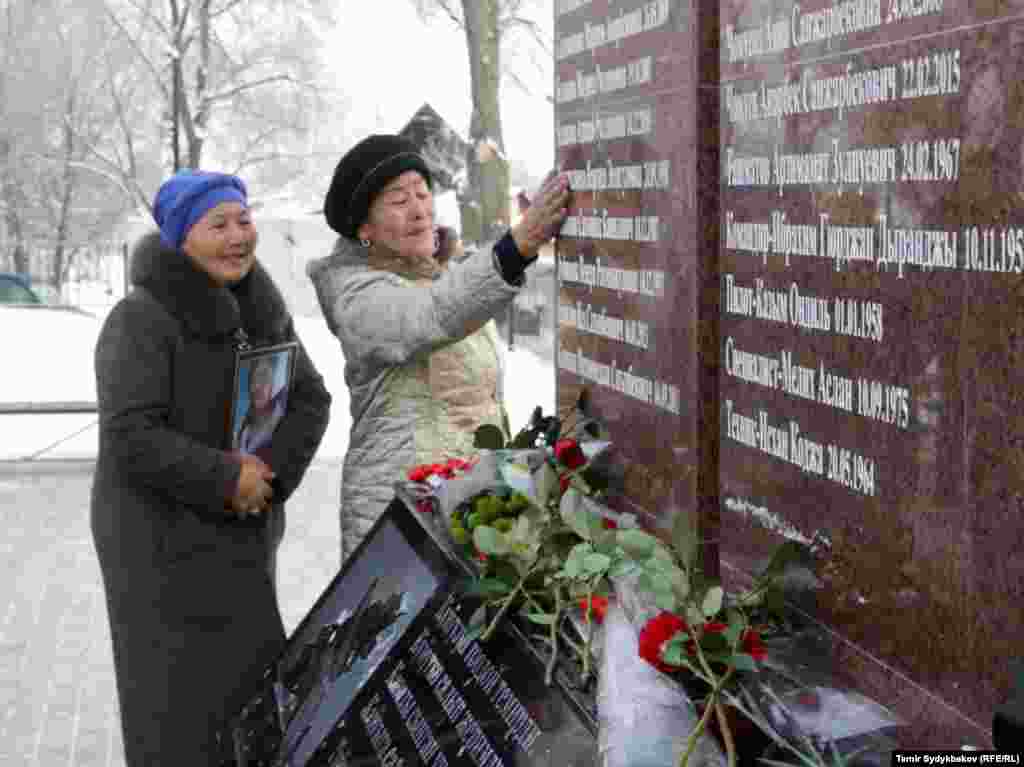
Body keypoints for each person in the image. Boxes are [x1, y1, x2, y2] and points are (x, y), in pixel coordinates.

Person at [91, 170, 331, 765]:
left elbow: (310, 399)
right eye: (217, 224)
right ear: (179, 239)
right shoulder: (140, 320)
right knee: (177, 712)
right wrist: (229, 479)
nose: (237, 236)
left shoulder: (264, 312)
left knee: (251, 700)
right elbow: (131, 434)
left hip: (241, 535)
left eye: (243, 220)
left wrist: (267, 478)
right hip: (160, 549)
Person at [307, 133, 569, 561]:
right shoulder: (356, 296)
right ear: (365, 229)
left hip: (470, 511)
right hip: (405, 521)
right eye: (397, 200)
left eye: (423, 193)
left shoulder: (441, 272)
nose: (418, 210)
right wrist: (518, 245)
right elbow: (432, 313)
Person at [236, 352, 288, 459]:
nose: (256, 386)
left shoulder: (281, 419)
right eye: (252, 380)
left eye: (263, 377)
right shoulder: (245, 425)